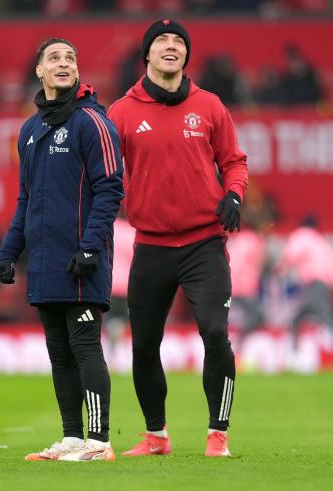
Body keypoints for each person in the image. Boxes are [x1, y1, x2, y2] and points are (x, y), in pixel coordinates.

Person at [107, 19, 248, 458]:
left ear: (186, 56)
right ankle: (156, 437)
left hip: (205, 243)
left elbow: (235, 162)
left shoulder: (209, 106)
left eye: (178, 42)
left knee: (214, 333)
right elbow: (105, 176)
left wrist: (235, 195)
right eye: (161, 42)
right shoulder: (121, 112)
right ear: (146, 54)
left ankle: (217, 435)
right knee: (145, 343)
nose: (171, 47)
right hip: (149, 245)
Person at [0, 38, 124, 462]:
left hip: (82, 260)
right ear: (39, 71)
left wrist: (91, 248)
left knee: (84, 345)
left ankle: (99, 441)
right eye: (54, 58)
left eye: (71, 57)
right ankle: (72, 438)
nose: (64, 63)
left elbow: (110, 189)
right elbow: (25, 198)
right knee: (59, 352)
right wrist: (9, 250)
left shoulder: (93, 121)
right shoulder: (30, 130)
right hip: (46, 261)